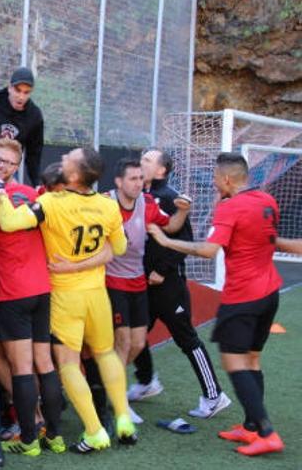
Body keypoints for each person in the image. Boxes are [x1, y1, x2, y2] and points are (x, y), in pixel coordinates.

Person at [0, 147, 137, 453]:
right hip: (97, 294)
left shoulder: (50, 203)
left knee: (68, 364)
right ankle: (123, 417)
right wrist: (84, 264)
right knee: (105, 353)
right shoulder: (108, 205)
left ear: (73, 175)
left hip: (64, 295)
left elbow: (7, 222)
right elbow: (119, 248)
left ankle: (95, 430)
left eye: (68, 158)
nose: (63, 159)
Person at [147, 153, 284, 456]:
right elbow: (269, 240)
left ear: (226, 180)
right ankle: (250, 427)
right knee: (251, 360)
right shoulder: (267, 200)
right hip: (270, 292)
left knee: (234, 363)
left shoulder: (230, 206)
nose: (212, 183)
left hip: (243, 297)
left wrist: (165, 241)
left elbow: (208, 251)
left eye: (214, 178)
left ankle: (267, 433)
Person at [0, 139, 65, 457]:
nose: (0, 165)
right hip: (41, 289)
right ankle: (53, 435)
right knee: (43, 363)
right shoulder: (34, 197)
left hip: (12, 293)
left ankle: (30, 438)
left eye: (6, 162)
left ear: (16, 166)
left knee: (24, 367)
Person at [130, 148, 229, 419]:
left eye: (148, 160)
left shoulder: (170, 198)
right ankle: (147, 381)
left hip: (168, 286)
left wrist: (162, 270)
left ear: (161, 170)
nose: (142, 163)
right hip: (143, 284)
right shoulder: (140, 195)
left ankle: (214, 395)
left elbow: (185, 241)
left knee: (186, 339)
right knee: (133, 335)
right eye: (142, 158)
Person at [97, 158, 196, 423]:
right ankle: (118, 403)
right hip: (111, 282)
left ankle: (107, 385)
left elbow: (171, 226)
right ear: (118, 182)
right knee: (123, 342)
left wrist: (183, 211)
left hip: (137, 282)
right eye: (133, 178)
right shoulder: (104, 203)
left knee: (138, 343)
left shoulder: (149, 203)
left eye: (141, 178)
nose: (139, 183)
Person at [0, 67, 43, 185]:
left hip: (10, 166)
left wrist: (37, 183)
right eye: (18, 90)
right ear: (9, 88)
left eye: (26, 92)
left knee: (13, 193)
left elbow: (34, 154)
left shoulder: (34, 116)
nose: (21, 97)